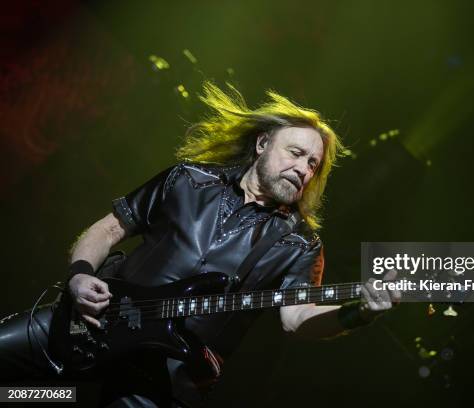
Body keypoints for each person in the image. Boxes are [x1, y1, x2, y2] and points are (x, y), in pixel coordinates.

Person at [0, 82, 400, 407]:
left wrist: (357, 313)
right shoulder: (188, 180)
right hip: (87, 324)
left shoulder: (299, 243)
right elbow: (108, 229)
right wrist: (80, 276)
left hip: (163, 376)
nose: (303, 169)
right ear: (263, 145)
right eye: (296, 153)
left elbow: (297, 320)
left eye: (313, 165)